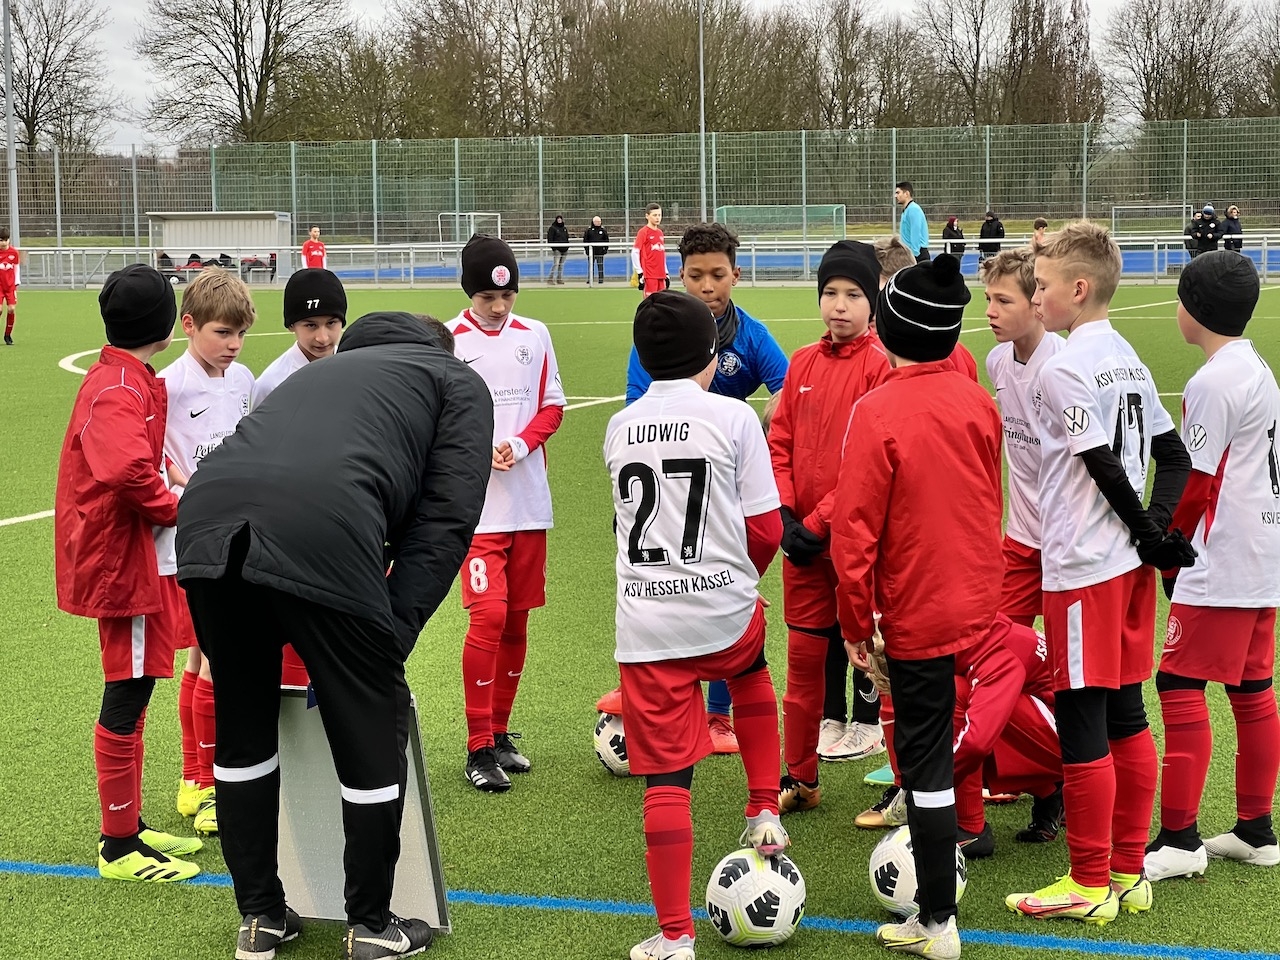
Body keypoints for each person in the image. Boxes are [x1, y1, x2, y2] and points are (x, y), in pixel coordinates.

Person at [176, 311, 493, 960]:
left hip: (206, 521)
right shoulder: (455, 381)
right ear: (443, 349)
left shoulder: (314, 374)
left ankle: (260, 918)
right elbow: (446, 520)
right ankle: (371, 925)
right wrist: (389, 640)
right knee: (371, 721)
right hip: (322, 523)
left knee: (242, 717)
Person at [1007, 222, 1194, 925]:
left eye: (1043, 286)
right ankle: (1126, 872)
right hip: (1127, 570)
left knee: (1082, 717)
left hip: (1084, 568)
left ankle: (1088, 884)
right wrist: (1156, 538)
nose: (1036, 296)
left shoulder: (1063, 364)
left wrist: (1151, 533)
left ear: (1078, 289)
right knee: (1126, 713)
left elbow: (1101, 464)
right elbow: (1173, 456)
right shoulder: (1127, 356)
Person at [604, 290, 789, 960]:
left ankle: (675, 935)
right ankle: (764, 808)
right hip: (726, 611)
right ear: (712, 355)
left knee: (666, 781)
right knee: (749, 671)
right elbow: (767, 528)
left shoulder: (619, 425)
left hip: (647, 626)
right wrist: (742, 583)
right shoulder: (734, 418)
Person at [831, 252, 1003, 959]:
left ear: (891, 326)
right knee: (944, 737)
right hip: (978, 603)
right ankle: (946, 890)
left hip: (918, 611)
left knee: (925, 758)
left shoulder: (875, 410)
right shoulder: (978, 400)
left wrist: (856, 625)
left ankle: (937, 921)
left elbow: (854, 534)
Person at [613, 222, 789, 753]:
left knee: (724, 595)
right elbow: (637, 404)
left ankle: (717, 714)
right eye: (695, 276)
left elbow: (788, 391)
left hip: (728, 482)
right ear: (680, 276)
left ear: (736, 275)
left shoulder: (752, 335)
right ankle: (649, 680)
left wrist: (763, 425)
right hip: (667, 478)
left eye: (717, 274)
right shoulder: (660, 333)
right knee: (651, 576)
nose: (706, 286)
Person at [55, 264, 203, 884]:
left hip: (131, 554)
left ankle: (129, 826)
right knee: (128, 690)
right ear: (166, 326)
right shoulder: (118, 385)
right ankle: (118, 845)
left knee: (136, 689)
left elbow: (142, 460)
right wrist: (178, 507)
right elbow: (125, 470)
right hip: (122, 560)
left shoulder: (126, 376)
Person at [1144, 252, 1280, 882]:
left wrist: (1169, 548)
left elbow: (1198, 480)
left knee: (1178, 683)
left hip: (1220, 558)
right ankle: (1255, 829)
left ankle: (1179, 838)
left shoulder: (1213, 381)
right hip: (1261, 554)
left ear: (1193, 309)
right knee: (1252, 690)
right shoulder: (1255, 366)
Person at [768, 240, 890, 814]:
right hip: (803, 546)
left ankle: (905, 784)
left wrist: (819, 521)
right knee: (802, 667)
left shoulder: (880, 366)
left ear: (873, 302)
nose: (839, 305)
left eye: (853, 294)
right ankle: (800, 777)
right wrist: (784, 514)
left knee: (881, 663)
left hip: (857, 547)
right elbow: (780, 442)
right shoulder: (801, 363)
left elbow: (869, 465)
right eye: (830, 293)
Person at [446, 235, 566, 791]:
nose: (498, 306)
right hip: (476, 511)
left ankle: (498, 733)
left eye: (507, 295)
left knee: (516, 619)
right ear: (469, 292)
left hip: (528, 505)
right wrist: (472, 452)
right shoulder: (449, 339)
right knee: (488, 616)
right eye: (487, 297)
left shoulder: (535, 334)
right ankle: (476, 747)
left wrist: (519, 444)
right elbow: (437, 418)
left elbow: (553, 407)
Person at [160, 267, 257, 839]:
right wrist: (184, 491)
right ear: (189, 325)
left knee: (201, 659)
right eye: (223, 333)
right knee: (216, 659)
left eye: (241, 333)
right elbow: (153, 465)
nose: (234, 344)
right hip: (193, 541)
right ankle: (211, 786)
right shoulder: (168, 386)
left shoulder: (243, 379)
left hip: (237, 535)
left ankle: (194, 780)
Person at [981, 249, 1063, 628]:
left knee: (1069, 653)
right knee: (999, 641)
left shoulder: (1063, 365)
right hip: (1020, 539)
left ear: (1036, 303)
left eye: (1003, 301)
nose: (990, 312)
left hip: (1067, 541)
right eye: (988, 299)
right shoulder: (996, 361)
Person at [252, 268, 347, 409]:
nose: (322, 338)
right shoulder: (271, 385)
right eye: (311, 325)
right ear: (291, 325)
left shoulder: (354, 370)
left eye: (331, 323)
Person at [633, 203, 668, 297]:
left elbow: (662, 254)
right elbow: (635, 252)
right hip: (649, 274)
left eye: (659, 215)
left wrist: (666, 272)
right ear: (647, 216)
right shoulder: (643, 232)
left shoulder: (660, 233)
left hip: (661, 274)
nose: (657, 218)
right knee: (650, 302)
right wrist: (640, 272)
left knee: (662, 301)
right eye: (654, 215)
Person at [895, 181, 930, 262]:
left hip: (917, 254)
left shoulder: (913, 209)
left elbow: (916, 233)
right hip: (910, 253)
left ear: (906, 194)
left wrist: (914, 255)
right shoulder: (907, 210)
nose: (895, 196)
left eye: (898, 193)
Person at [0, 227, 20, 344]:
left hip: (10, 286)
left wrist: (16, 283)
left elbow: (16, 269)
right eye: (1, 240)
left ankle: (7, 335)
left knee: (11, 309)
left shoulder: (14, 253)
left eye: (5, 240)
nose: (3, 243)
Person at [584, 216, 610, 284]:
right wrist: (587, 250)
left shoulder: (603, 230)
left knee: (600, 266)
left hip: (600, 252)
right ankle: (590, 279)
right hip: (591, 251)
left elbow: (606, 240)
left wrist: (605, 249)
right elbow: (585, 240)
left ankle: (601, 279)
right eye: (597, 221)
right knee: (590, 266)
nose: (599, 223)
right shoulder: (589, 230)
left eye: (599, 221)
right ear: (594, 222)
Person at [546, 215, 570, 284]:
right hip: (557, 249)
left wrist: (567, 246)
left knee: (561, 265)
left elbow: (567, 237)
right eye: (558, 219)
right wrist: (554, 248)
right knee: (556, 264)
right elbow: (550, 239)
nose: (559, 220)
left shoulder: (564, 228)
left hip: (564, 249)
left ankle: (559, 279)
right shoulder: (552, 228)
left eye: (560, 219)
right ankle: (550, 279)